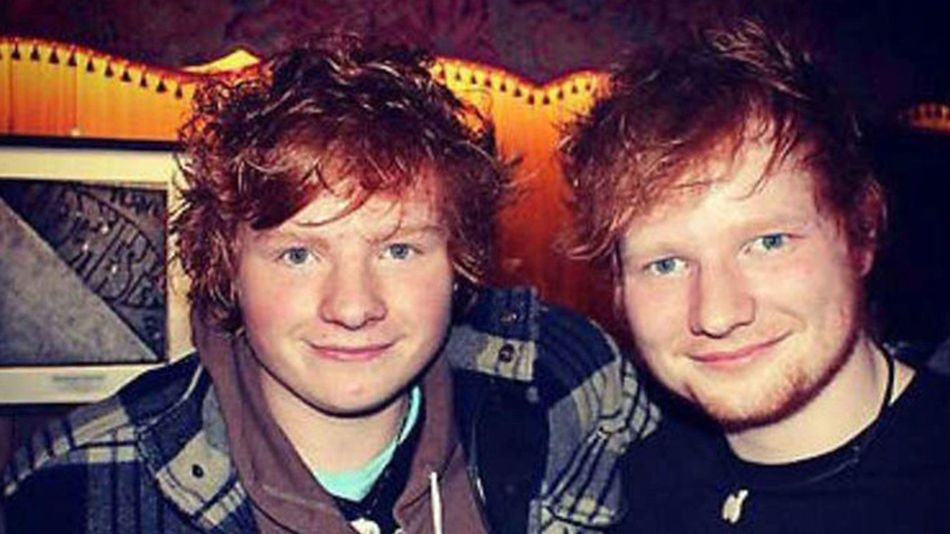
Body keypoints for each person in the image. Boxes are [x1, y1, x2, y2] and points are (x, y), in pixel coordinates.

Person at [1, 36, 657, 533]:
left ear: (460, 260)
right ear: (226, 265)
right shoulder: (71, 489)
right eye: (298, 255)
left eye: (398, 249)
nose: (352, 307)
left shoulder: (570, 383)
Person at [561, 19, 950, 533]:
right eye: (666, 264)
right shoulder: (640, 479)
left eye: (767, 242)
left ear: (860, 235)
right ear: (618, 287)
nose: (717, 314)